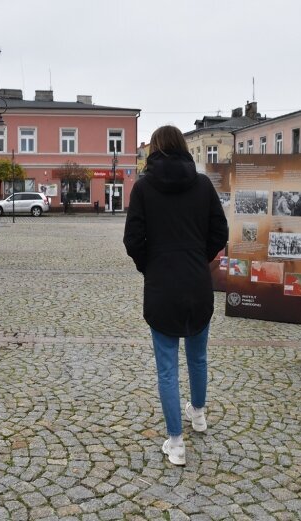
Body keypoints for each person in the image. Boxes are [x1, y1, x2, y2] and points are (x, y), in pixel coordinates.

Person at [123, 125, 228, 466]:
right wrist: (199, 258)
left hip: (161, 286)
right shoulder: (202, 185)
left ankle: (176, 443)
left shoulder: (142, 188)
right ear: (184, 147)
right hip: (197, 283)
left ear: (154, 148)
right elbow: (220, 232)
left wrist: (149, 266)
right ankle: (198, 414)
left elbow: (132, 240)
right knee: (198, 358)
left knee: (167, 368)